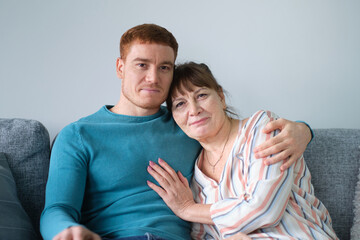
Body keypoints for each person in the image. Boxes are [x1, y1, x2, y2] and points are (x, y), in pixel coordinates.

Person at [40, 24, 313, 240]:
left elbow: (240, 134)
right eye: (141, 65)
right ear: (120, 68)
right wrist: (65, 231)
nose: (153, 78)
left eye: (164, 68)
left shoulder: (189, 124)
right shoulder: (78, 135)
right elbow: (57, 209)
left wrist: (302, 131)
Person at [147, 62, 338, 239]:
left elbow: (264, 208)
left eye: (201, 95)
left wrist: (188, 209)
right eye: (180, 104)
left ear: (221, 97)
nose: (194, 109)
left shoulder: (262, 127)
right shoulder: (195, 176)